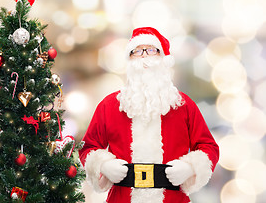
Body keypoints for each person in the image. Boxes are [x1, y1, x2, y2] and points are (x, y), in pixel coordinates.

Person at [79, 27, 219, 203]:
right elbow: (88, 147)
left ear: (163, 59)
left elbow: (209, 147)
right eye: (137, 51)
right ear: (129, 60)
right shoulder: (109, 106)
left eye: (151, 50)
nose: (144, 56)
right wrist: (104, 165)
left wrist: (189, 167)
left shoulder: (183, 105)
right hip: (122, 198)